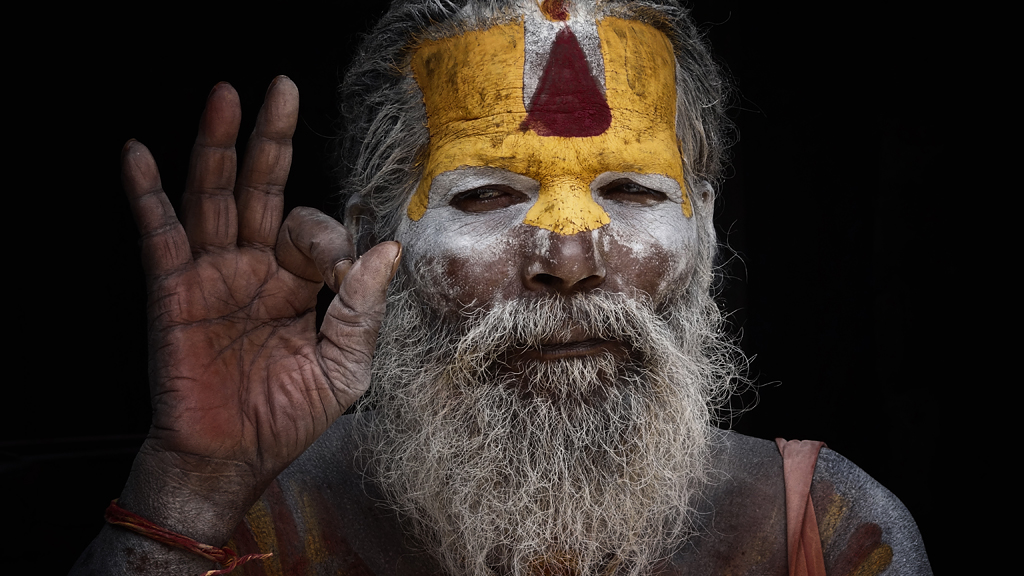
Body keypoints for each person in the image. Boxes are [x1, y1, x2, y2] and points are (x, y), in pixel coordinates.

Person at [72, 1, 932, 574]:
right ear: (376, 234)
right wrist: (191, 488)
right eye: (485, 195)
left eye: (633, 191)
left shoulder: (827, 530)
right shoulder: (258, 521)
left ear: (704, 226)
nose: (567, 257)